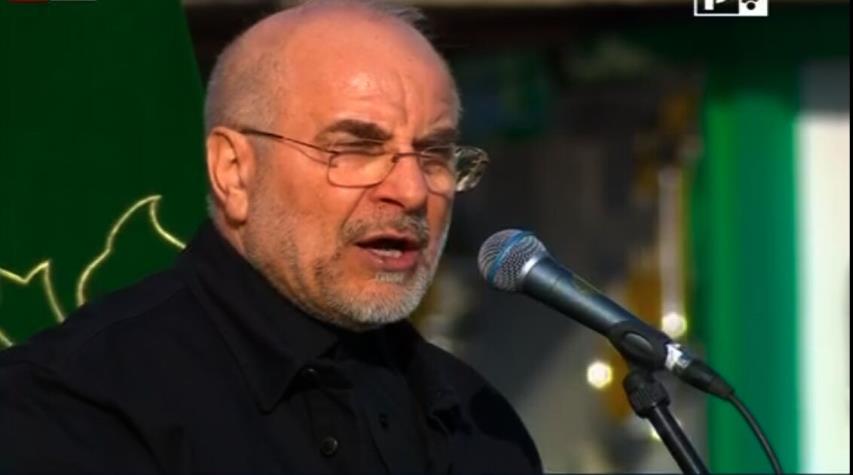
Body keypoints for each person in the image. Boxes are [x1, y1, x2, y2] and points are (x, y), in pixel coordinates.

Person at [0, 0, 542, 472]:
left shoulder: (481, 425)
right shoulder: (77, 406)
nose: (411, 190)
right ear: (233, 171)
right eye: (354, 149)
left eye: (434, 153)